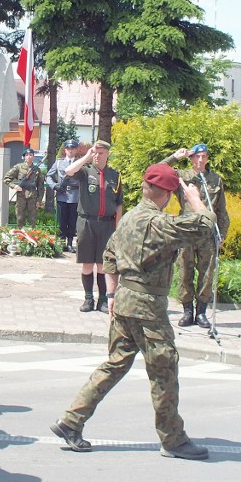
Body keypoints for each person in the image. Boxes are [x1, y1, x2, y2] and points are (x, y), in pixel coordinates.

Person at [51, 163, 214, 461]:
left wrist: (112, 294)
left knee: (114, 364)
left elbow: (109, 256)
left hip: (126, 299)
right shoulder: (157, 223)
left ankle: (71, 421)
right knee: (164, 369)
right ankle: (173, 439)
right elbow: (205, 226)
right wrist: (193, 199)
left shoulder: (128, 219)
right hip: (147, 306)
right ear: (166, 193)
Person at [161, 144, 229, 328]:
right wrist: (176, 156)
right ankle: (187, 312)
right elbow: (158, 171)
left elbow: (221, 210)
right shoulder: (182, 177)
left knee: (207, 274)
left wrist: (222, 234)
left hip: (207, 233)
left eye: (204, 156)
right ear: (191, 159)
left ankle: (201, 312)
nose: (201, 160)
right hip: (187, 232)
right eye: (197, 157)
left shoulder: (215, 179)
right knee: (184, 271)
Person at [65, 140, 122, 313]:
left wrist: (118, 227)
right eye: (95, 153)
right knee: (87, 264)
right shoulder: (85, 171)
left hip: (107, 224)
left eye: (101, 153)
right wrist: (86, 157)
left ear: (108, 154)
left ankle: (103, 300)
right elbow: (68, 171)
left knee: (103, 265)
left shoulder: (115, 175)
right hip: (87, 223)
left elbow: (119, 203)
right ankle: (88, 299)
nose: (97, 156)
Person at [46, 140, 80, 252]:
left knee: (72, 220)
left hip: (75, 195)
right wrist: (55, 186)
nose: (70, 151)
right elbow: (49, 176)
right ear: (65, 150)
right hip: (62, 195)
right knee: (62, 220)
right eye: (68, 149)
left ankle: (70, 243)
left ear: (76, 150)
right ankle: (61, 242)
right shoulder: (59, 163)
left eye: (73, 149)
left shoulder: (79, 163)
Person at [3, 148, 44, 229]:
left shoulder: (37, 170)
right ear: (24, 157)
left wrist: (39, 200)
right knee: (20, 218)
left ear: (33, 157)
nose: (29, 157)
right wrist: (15, 186)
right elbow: (6, 179)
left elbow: (40, 186)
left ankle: (32, 236)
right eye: (27, 155)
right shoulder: (18, 167)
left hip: (33, 197)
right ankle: (20, 235)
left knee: (33, 219)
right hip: (21, 197)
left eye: (31, 155)